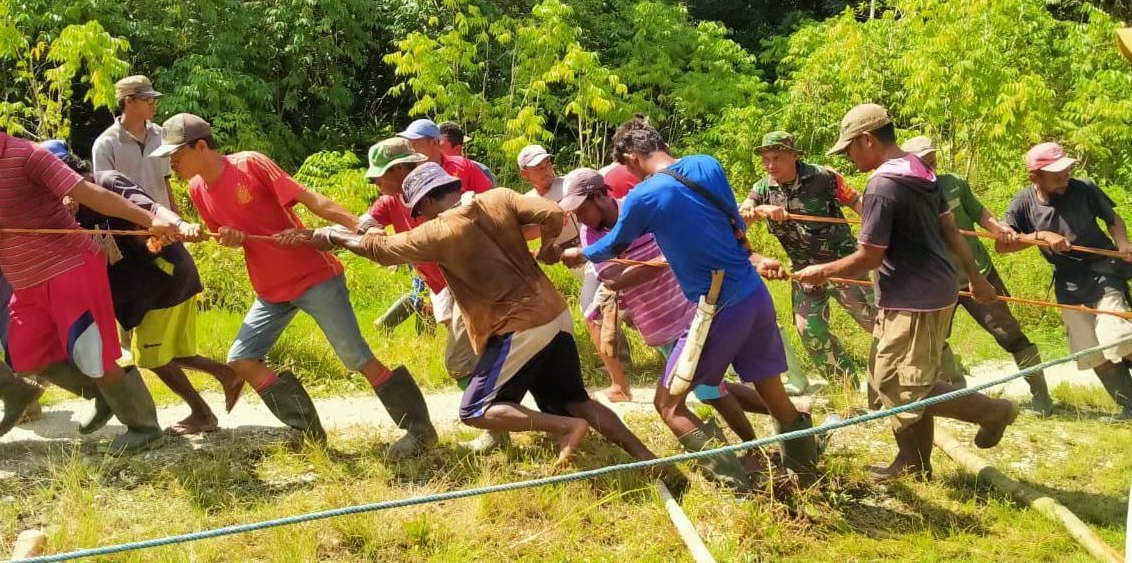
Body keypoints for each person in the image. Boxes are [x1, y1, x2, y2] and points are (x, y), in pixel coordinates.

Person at [308, 163, 687, 493]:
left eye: (417, 211)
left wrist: (334, 236)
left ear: (423, 204)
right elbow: (554, 213)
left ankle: (565, 429)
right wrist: (549, 248)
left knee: (475, 409)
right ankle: (654, 463)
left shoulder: (436, 231)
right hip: (555, 314)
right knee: (576, 398)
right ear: (452, 187)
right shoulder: (499, 197)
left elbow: (381, 250)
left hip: (517, 325)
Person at [561, 116, 820, 493]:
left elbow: (611, 245)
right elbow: (737, 226)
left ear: (633, 156)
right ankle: (807, 479)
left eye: (626, 165)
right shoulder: (707, 164)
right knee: (774, 395)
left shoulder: (643, 197)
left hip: (719, 306)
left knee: (668, 405)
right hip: (754, 295)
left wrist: (578, 252)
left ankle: (741, 489)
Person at [156, 113, 438, 455]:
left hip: (314, 276)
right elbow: (227, 235)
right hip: (271, 289)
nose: (172, 162)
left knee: (357, 358)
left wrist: (361, 227)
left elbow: (310, 199)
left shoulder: (250, 165)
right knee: (242, 359)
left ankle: (420, 431)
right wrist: (222, 237)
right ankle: (307, 433)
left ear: (201, 146)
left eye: (177, 154)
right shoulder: (197, 190)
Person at [793, 104, 1019, 481]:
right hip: (920, 291)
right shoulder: (922, 171)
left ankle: (991, 412)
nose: (848, 158)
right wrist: (975, 277)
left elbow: (868, 256)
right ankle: (915, 462)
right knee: (889, 380)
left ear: (867, 140)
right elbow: (950, 231)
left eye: (850, 148)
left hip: (915, 298)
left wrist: (822, 271)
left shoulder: (883, 185)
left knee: (909, 387)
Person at [0, 127, 181, 453]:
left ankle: (143, 426)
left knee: (94, 353)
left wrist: (148, 218)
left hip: (69, 267)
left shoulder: (27, 156)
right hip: (25, 281)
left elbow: (91, 193)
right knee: (26, 356)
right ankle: (100, 394)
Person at [43, 141, 245, 435]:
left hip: (162, 277)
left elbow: (152, 209)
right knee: (169, 351)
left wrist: (177, 223)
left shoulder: (108, 181)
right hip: (139, 291)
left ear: (68, 171)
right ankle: (222, 380)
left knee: (152, 357)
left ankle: (206, 407)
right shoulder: (68, 212)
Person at [360, 137, 505, 452]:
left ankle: (500, 427)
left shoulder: (436, 191)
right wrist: (368, 232)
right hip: (446, 287)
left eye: (380, 175)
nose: (376, 182)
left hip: (472, 284)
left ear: (400, 169)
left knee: (461, 360)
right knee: (479, 357)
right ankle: (503, 421)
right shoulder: (391, 200)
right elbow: (365, 224)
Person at [902, 136, 1053, 416]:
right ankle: (958, 394)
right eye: (923, 160)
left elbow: (979, 212)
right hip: (935, 282)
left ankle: (1041, 394)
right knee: (935, 341)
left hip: (978, 273)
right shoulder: (905, 192)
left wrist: (1000, 228)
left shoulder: (954, 182)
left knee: (1008, 333)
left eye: (932, 157)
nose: (930, 163)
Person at [996, 142, 1132, 420]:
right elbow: (1003, 244)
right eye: (1056, 175)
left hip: (1103, 270)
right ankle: (1129, 408)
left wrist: (1122, 243)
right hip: (1068, 285)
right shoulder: (1023, 202)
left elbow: (1113, 219)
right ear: (1035, 177)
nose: (1065, 179)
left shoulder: (1084, 188)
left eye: (1067, 172)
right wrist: (1041, 236)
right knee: (1093, 353)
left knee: (1117, 337)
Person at [740, 131, 874, 395]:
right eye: (766, 159)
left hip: (843, 265)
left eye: (776, 158)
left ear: (794, 155)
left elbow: (858, 203)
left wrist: (878, 235)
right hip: (804, 271)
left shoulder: (824, 177)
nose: (770, 165)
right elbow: (742, 215)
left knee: (876, 323)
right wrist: (756, 210)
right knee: (809, 331)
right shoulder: (763, 188)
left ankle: (929, 372)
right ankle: (845, 388)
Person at [518, 144, 635, 402]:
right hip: (578, 257)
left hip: (592, 252)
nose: (545, 170)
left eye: (547, 163)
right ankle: (622, 368)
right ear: (524, 173)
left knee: (601, 308)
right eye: (537, 167)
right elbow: (527, 232)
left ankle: (622, 375)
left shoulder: (571, 184)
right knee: (612, 308)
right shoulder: (527, 201)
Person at [92, 75, 177, 210]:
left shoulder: (161, 135)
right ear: (129, 101)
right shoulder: (105, 144)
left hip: (166, 225)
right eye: (147, 99)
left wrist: (177, 219)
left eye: (154, 99)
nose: (153, 104)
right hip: (129, 227)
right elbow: (105, 194)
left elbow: (165, 183)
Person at [398, 118, 493, 193]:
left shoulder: (463, 165)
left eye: (415, 143)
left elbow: (490, 197)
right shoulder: (407, 172)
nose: (411, 148)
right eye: (409, 143)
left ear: (434, 143)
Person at [437, 121, 497, 185]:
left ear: (457, 149)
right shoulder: (430, 171)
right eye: (433, 144)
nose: (434, 150)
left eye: (439, 146)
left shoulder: (480, 171)